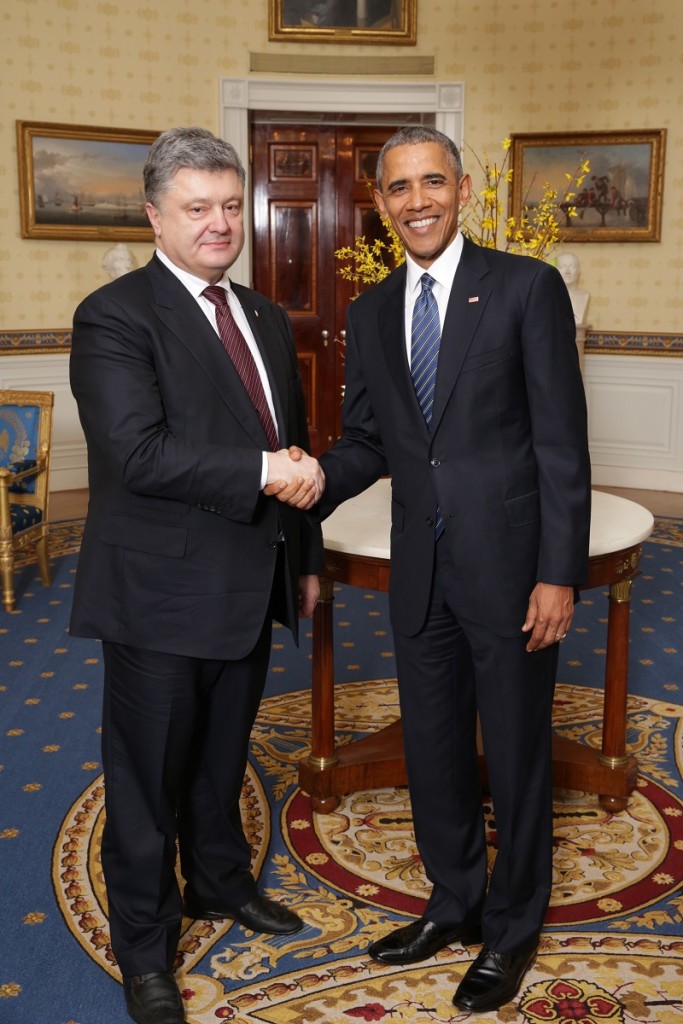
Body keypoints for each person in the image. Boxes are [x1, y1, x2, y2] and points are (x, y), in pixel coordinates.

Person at [270, 125, 591, 1012]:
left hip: (512, 568)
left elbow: (562, 444)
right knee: (435, 748)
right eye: (400, 188)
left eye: (433, 183)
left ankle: (513, 927)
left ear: (463, 188)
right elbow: (371, 440)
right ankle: (453, 904)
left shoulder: (525, 288)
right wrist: (308, 481)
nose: (418, 202)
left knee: (518, 754)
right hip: (420, 568)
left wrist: (557, 572)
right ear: (379, 203)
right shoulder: (371, 311)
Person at [69, 126, 325, 1024]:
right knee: (145, 784)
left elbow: (286, 437)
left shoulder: (258, 313)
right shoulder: (113, 314)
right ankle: (145, 948)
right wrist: (266, 475)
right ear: (154, 216)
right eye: (196, 209)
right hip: (158, 595)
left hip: (252, 582)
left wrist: (304, 562)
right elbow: (138, 453)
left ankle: (219, 885)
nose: (219, 225)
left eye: (228, 206)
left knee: (221, 764)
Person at [556, 251, 591, 325]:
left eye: (572, 266)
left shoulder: (585, 296)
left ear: (579, 271)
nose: (567, 272)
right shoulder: (548, 297)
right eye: (562, 267)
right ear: (555, 271)